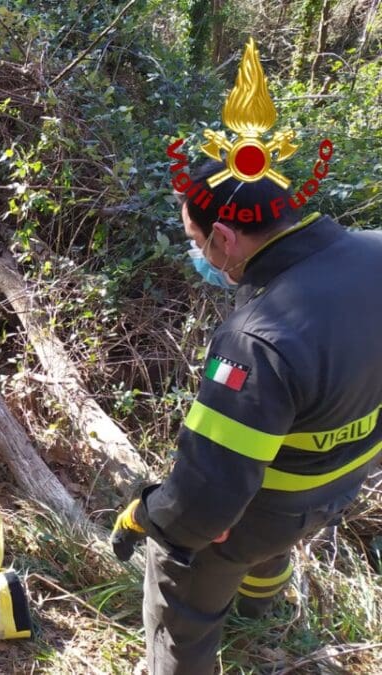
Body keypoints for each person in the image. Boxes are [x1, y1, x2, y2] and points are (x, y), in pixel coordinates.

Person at [110, 160, 382, 675]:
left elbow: (204, 507)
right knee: (269, 547)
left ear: (224, 236)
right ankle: (256, 611)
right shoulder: (374, 250)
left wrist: (148, 514)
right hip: (347, 478)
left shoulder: (256, 340)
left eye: (196, 240)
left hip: (269, 505)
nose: (198, 253)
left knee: (179, 571)